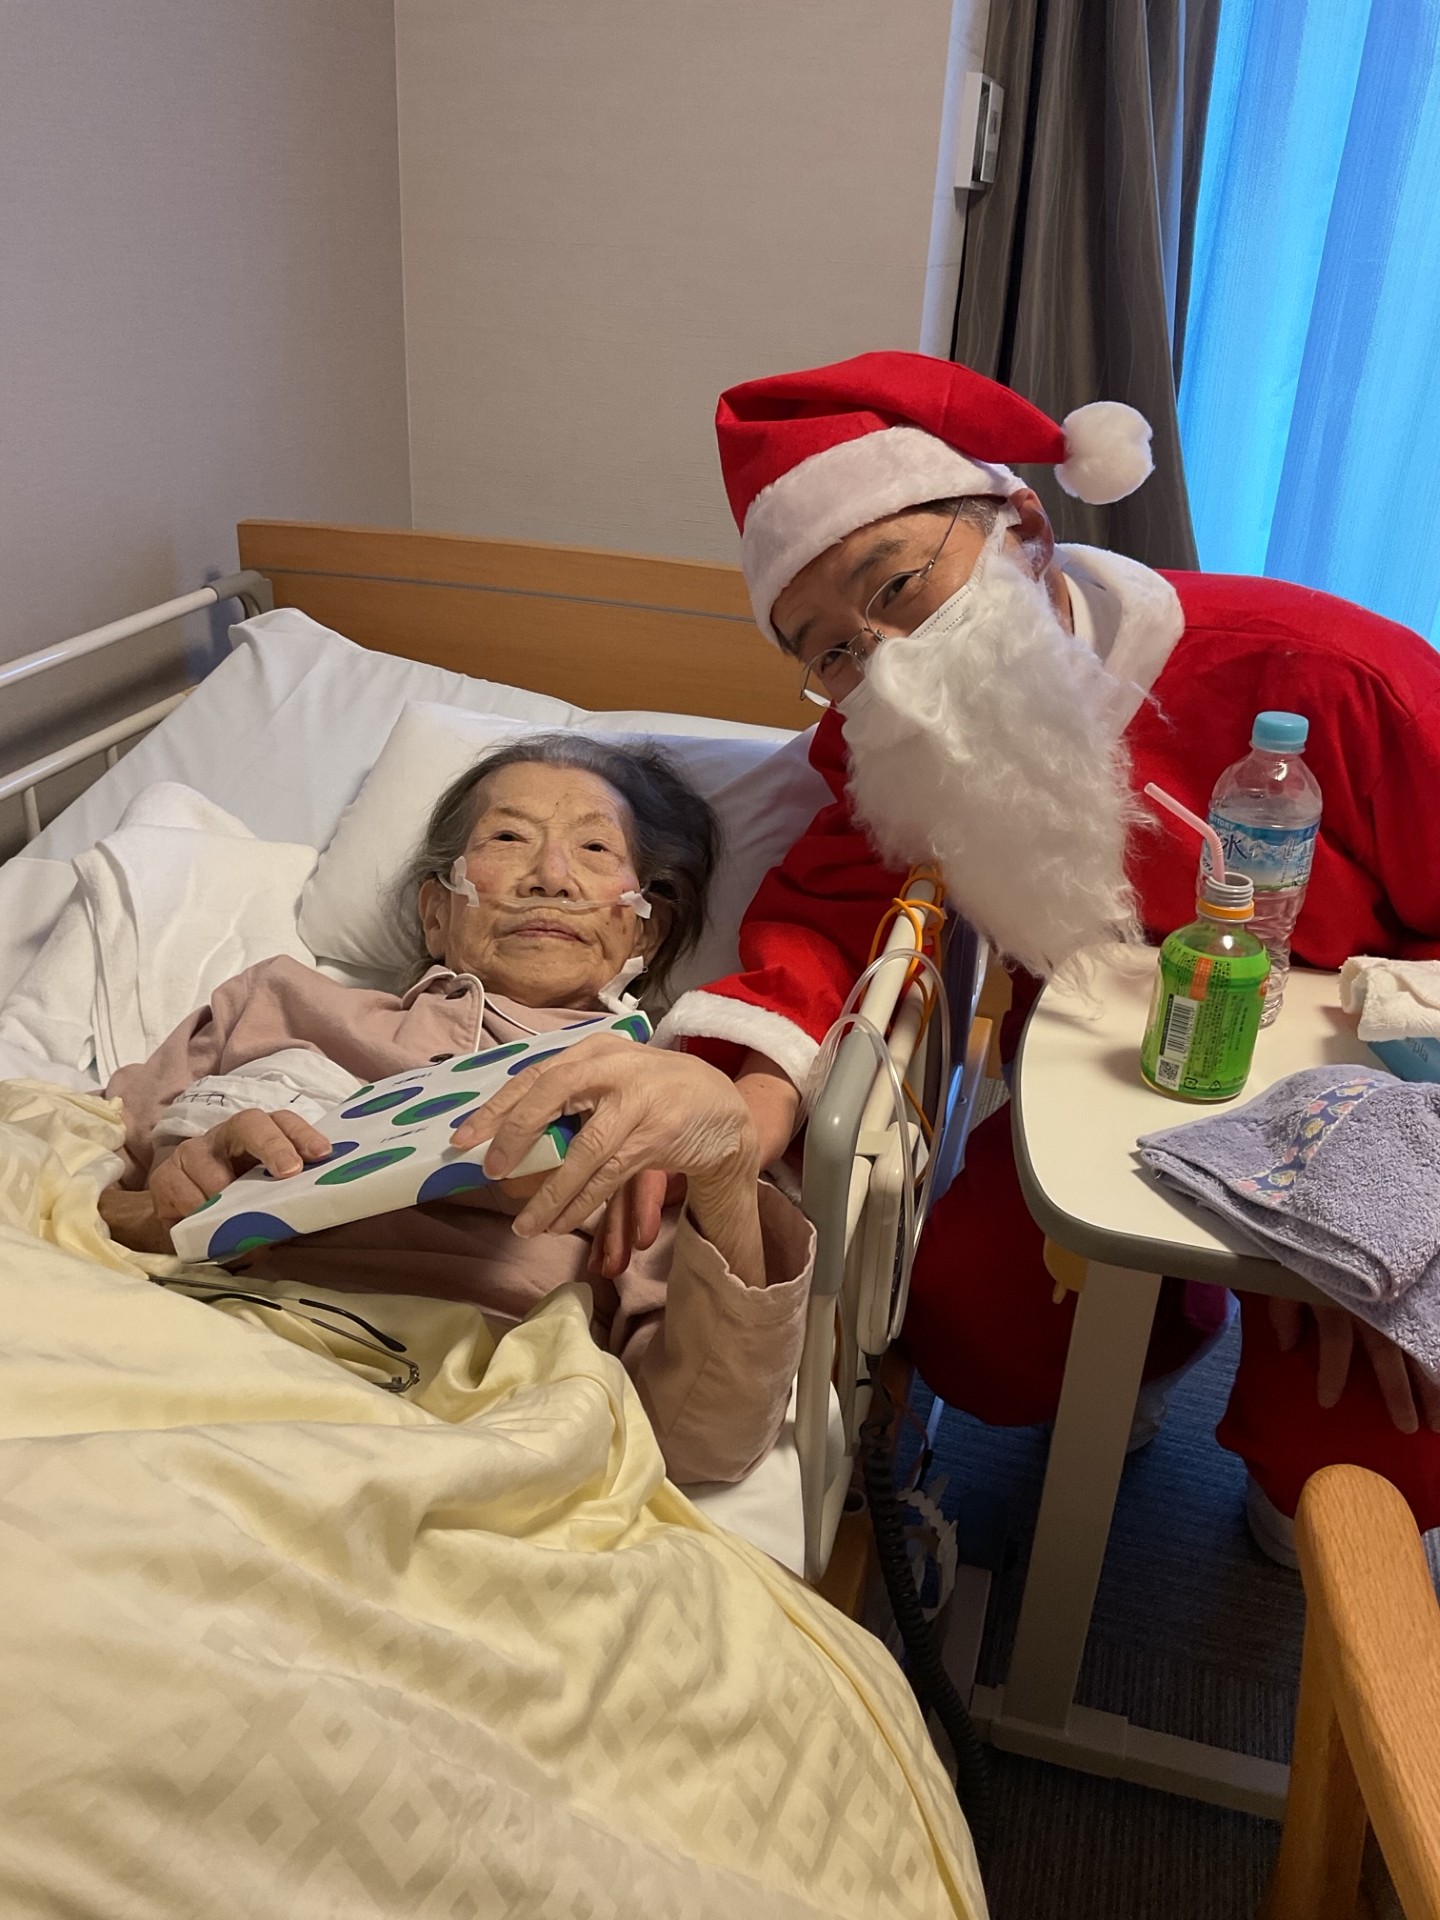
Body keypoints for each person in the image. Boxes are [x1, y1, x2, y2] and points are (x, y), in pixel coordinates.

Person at [652, 349, 1440, 1560]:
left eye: (897, 585)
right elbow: (827, 911)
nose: (884, 659)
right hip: (1112, 1097)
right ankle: (1165, 1329)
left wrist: (1390, 1206)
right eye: (831, 650)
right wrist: (742, 1092)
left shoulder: (1326, 672)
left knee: (1360, 1459)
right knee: (975, 1331)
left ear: (1023, 526)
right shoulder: (890, 737)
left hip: (1375, 1101)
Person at [98, 735, 814, 1488]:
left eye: (595, 848)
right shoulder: (274, 1005)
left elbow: (706, 1442)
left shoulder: (660, 1112)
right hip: (172, 1354)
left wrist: (726, 1165)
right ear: (437, 911)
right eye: (507, 838)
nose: (552, 876)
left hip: (433, 1436)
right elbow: (54, 1186)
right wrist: (159, 1213)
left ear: (643, 928)